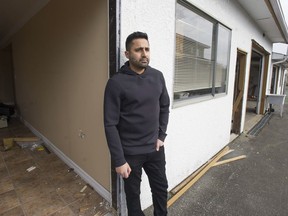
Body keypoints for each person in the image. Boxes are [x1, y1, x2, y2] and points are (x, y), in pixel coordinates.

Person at [104, 31, 170, 216]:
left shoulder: (157, 76)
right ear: (127, 54)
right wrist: (119, 160)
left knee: (160, 189)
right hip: (130, 153)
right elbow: (110, 124)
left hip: (155, 149)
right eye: (139, 49)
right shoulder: (116, 83)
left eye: (147, 49)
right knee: (133, 197)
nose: (144, 54)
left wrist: (161, 135)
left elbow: (164, 106)